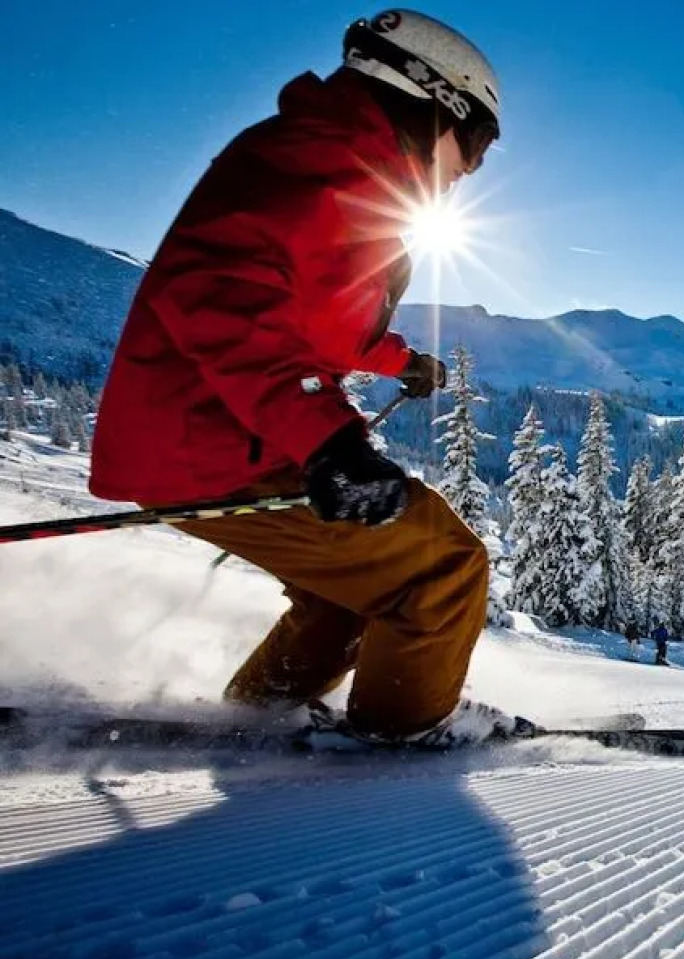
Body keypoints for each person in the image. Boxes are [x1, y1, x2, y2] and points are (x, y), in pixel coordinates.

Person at [88, 11, 503, 743]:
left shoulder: (344, 167)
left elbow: (323, 318)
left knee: (347, 596)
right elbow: (221, 298)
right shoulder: (316, 161)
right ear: (435, 99)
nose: (470, 168)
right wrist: (327, 439)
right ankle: (403, 730)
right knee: (441, 563)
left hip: (223, 438)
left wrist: (403, 362)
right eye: (474, 143)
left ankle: (257, 717)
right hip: (214, 444)